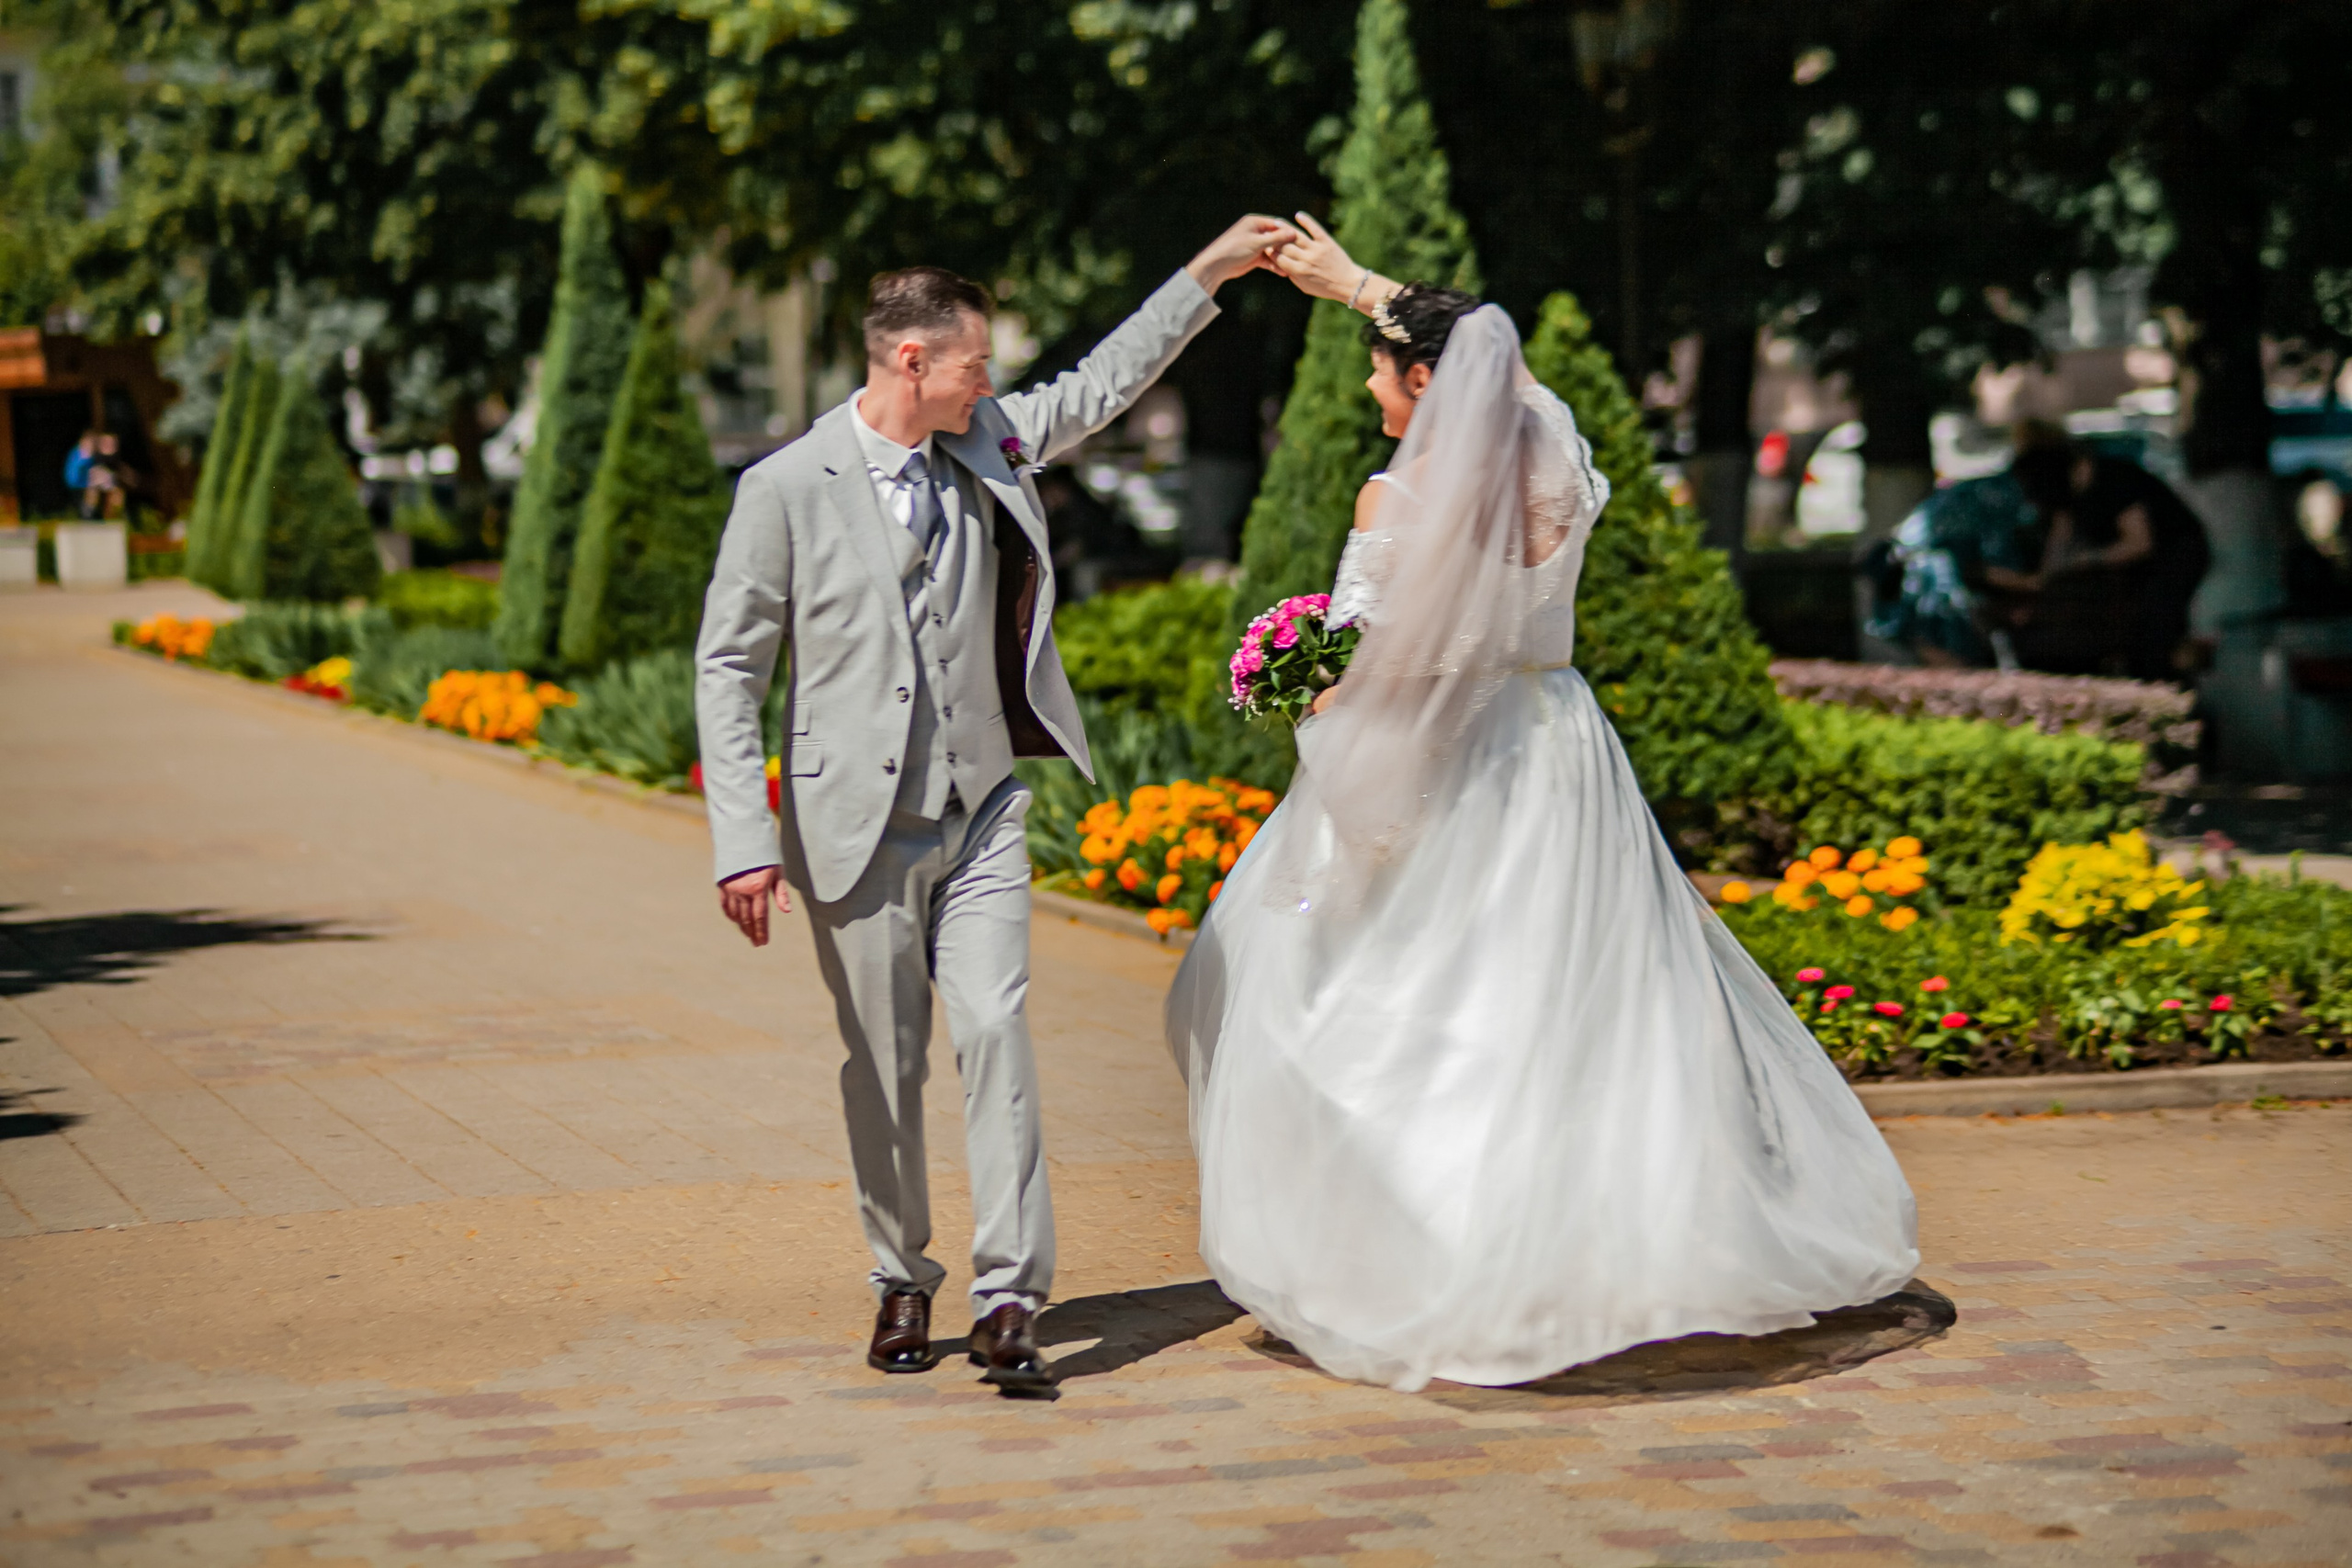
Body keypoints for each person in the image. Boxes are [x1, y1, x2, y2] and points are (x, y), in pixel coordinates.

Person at [1163, 216, 1920, 1393]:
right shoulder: (1553, 463)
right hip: (1557, 746)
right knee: (1578, 1007)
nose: (1367, 386)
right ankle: (1614, 1249)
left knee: (1394, 1002)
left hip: (1453, 761)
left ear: (1427, 383)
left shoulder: (1392, 502)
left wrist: (1310, 692)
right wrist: (1364, 291)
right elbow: (1511, 376)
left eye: (1381, 368)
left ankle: (1442, 1258)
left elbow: (1385, 666)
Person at [695, 215, 1299, 1392]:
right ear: (910, 360)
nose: (991, 381)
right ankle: (900, 1276)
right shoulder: (786, 487)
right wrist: (740, 840)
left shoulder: (992, 438)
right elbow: (729, 667)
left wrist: (1210, 270)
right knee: (884, 1066)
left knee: (996, 1031)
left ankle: (1011, 1293)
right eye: (975, 363)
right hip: (852, 828)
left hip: (981, 810)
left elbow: (1107, 381)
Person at [2008, 437, 2211, 682]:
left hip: (2175, 555)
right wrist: (2045, 584)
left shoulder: (2115, 480)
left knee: (2156, 628)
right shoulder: (2068, 493)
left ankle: (2170, 680)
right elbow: (2059, 544)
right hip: (2139, 566)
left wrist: (2086, 560)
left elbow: (2140, 543)